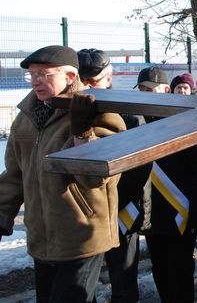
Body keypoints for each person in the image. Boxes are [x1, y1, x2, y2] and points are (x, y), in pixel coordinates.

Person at [0, 45, 126, 303]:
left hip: (82, 236)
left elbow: (95, 177)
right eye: (32, 75)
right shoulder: (25, 118)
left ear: (70, 77)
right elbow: (15, 175)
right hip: (42, 240)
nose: (36, 81)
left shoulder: (99, 112)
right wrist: (2, 212)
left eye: (45, 74)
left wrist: (82, 133)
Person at [77, 48, 150, 303]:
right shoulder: (66, 112)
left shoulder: (128, 114)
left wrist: (111, 203)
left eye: (93, 81)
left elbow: (140, 166)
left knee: (123, 282)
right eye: (81, 80)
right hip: (83, 216)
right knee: (82, 286)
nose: (86, 87)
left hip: (121, 210)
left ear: (109, 77)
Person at [135, 66, 197, 303]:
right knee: (160, 269)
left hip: (181, 212)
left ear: (166, 90)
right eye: (142, 90)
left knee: (180, 272)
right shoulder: (134, 123)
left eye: (152, 89)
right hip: (152, 212)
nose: (146, 94)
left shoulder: (186, 120)